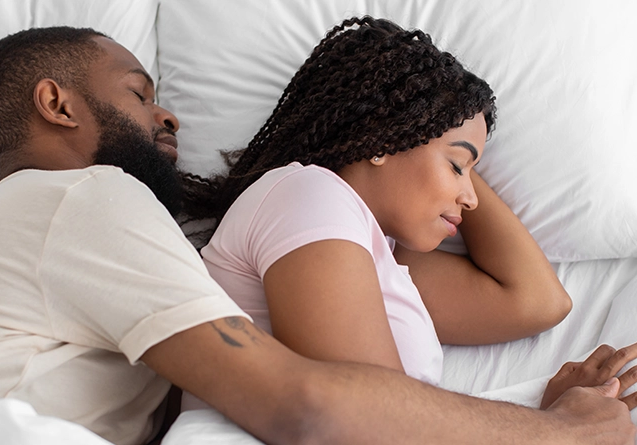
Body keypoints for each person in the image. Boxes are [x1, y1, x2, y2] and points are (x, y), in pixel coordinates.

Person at [0, 26, 636, 445]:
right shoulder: (80, 198)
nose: (170, 116)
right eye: (139, 93)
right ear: (56, 103)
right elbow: (308, 405)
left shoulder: (92, 227)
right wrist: (560, 435)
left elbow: (535, 301)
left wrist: (445, 141)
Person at [180, 15, 612, 412]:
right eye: (458, 165)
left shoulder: (377, 253)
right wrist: (550, 431)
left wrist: (445, 145)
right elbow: (369, 421)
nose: (472, 198)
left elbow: (537, 302)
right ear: (385, 142)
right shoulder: (308, 196)